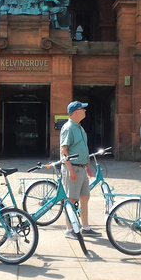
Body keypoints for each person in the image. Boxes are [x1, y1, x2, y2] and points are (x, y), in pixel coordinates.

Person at [60, 101, 102, 239]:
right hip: (74, 169)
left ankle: (86, 228)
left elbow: (82, 148)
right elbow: (63, 151)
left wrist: (87, 165)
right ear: (76, 112)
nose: (85, 110)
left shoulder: (79, 127)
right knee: (71, 199)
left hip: (81, 168)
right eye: (82, 109)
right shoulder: (69, 128)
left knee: (85, 197)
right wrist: (70, 170)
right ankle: (69, 229)